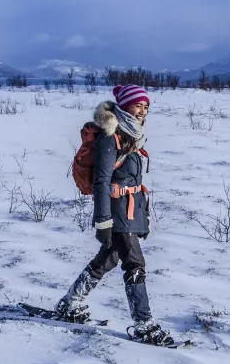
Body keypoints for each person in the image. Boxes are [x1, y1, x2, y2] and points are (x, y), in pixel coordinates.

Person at [55, 84, 173, 346]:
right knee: (134, 263)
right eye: (137, 105)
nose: (142, 111)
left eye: (145, 107)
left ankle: (70, 304)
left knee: (110, 257)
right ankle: (144, 324)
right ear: (124, 106)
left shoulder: (133, 134)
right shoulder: (111, 137)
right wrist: (103, 222)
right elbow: (101, 181)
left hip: (131, 209)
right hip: (117, 211)